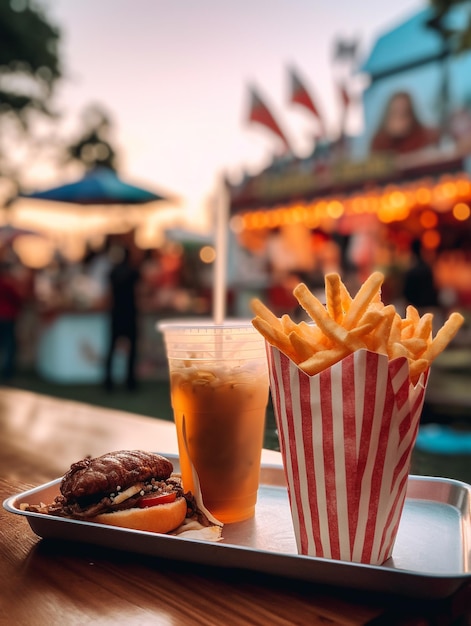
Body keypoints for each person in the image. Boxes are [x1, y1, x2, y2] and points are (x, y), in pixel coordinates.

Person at [104, 245, 141, 391]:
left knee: (112, 348)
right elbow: (140, 292)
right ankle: (130, 382)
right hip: (130, 313)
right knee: (132, 350)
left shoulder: (112, 272)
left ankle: (108, 381)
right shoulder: (133, 272)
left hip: (116, 313)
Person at [371, 91, 440, 155]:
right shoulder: (380, 141)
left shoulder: (424, 136)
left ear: (411, 115)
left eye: (404, 113)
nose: (399, 119)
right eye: (395, 113)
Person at [0, 247, 27, 381]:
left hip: (5, 316)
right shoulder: (8, 283)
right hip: (8, 316)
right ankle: (7, 372)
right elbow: (17, 298)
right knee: (9, 344)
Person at [403, 239, 439, 311]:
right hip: (429, 306)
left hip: (417, 308)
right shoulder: (427, 268)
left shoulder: (412, 269)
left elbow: (407, 292)